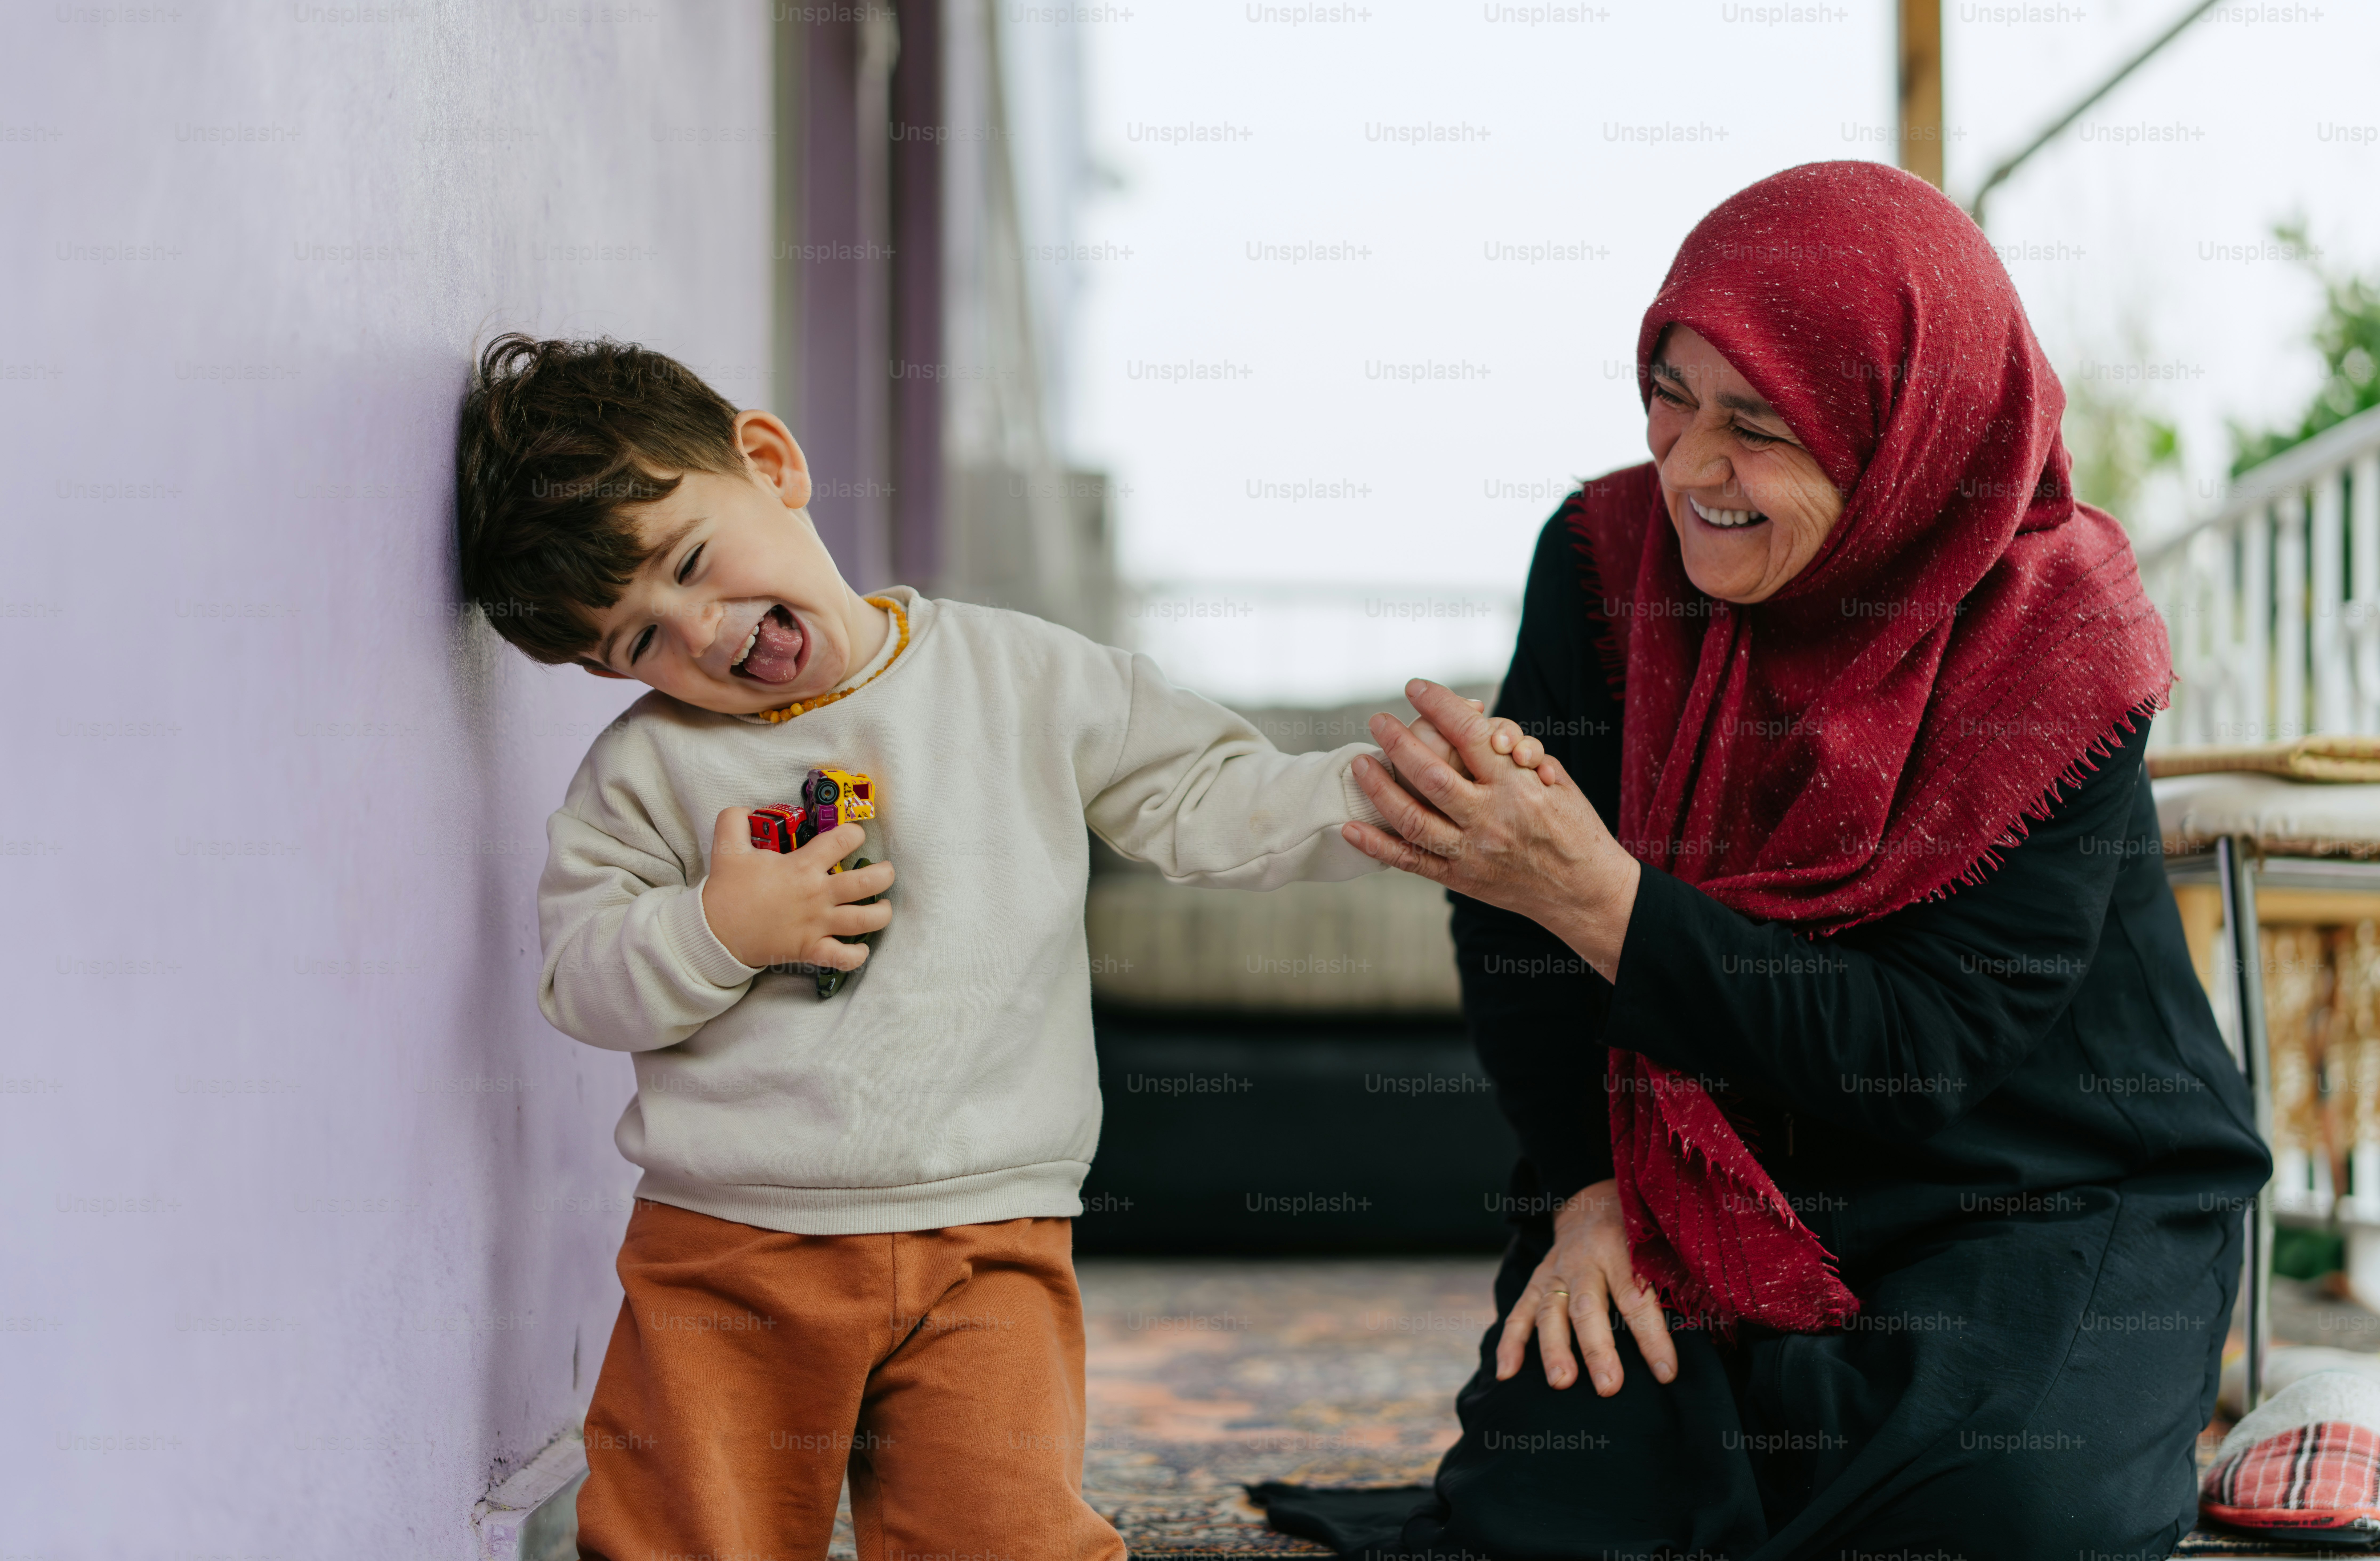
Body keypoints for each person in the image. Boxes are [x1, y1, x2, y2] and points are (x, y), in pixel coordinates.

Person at [1325, 162, 2270, 1558]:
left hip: (2036, 1177)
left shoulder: (2055, 647)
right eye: (1669, 391)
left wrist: (1591, 890)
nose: (1690, 466)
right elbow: (1516, 928)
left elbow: (1921, 1047)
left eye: (1755, 425)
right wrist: (1591, 1189)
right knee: (1551, 1506)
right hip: (1698, 1156)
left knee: (2002, 1516)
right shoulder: (1602, 560)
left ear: (1899, 433)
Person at [452, 336, 1520, 1560]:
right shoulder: (643, 770)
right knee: (690, 1535)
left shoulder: (1022, 675)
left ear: (770, 461)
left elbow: (1209, 796)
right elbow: (578, 976)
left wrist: (1379, 787)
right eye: (636, 641)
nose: (698, 633)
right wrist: (715, 929)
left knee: (1005, 1533)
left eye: (691, 564)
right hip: (731, 1248)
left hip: (992, 1238)